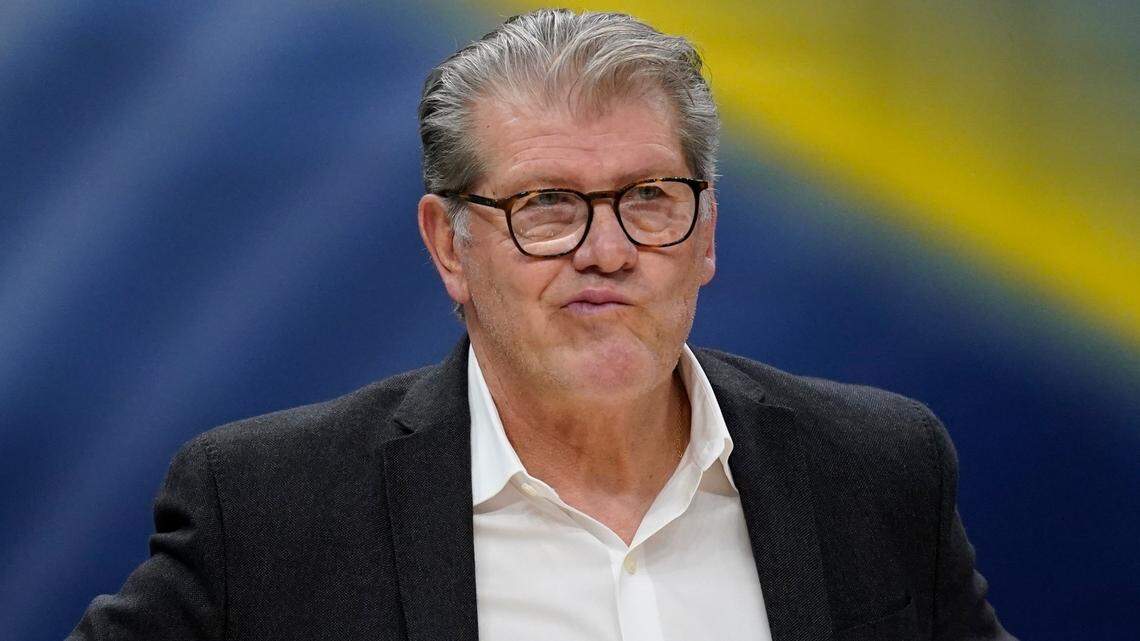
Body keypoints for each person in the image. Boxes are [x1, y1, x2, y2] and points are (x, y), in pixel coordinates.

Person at [69, 9, 1015, 641]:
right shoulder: (271, 510)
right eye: (548, 205)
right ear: (449, 245)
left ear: (706, 233)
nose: (607, 250)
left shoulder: (874, 469)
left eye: (648, 197)